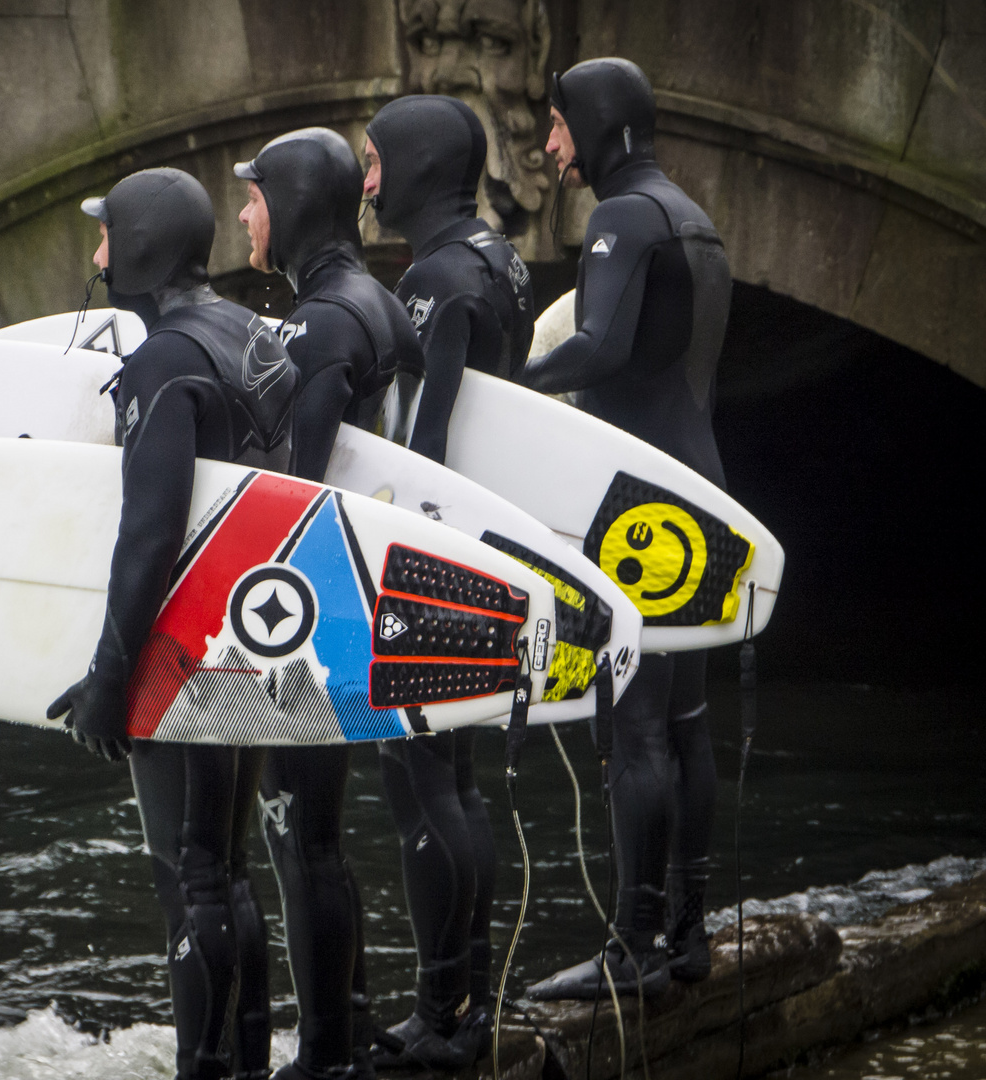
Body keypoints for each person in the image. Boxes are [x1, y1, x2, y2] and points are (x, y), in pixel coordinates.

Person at [47, 167, 298, 1080]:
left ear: (143, 246)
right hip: (259, 642)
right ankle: (245, 1065)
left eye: (109, 234)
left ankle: (206, 1069)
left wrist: (111, 680)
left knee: (189, 877)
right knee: (229, 870)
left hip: (186, 654)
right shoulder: (248, 333)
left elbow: (149, 534)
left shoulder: (165, 360)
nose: (99, 253)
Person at [516, 57, 732, 1000]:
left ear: (599, 124)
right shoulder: (695, 219)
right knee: (687, 724)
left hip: (640, 510)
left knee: (634, 730)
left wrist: (505, 391)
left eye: (561, 126)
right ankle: (686, 938)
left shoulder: (622, 217)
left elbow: (599, 349)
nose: (554, 147)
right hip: (704, 495)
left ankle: (631, 947)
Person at [234, 126, 425, 1080]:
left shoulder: (318, 324)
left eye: (257, 194)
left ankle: (322, 1056)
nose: (244, 212)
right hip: (367, 590)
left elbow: (294, 488)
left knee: (297, 836)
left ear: (296, 203)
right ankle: (345, 1024)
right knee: (321, 834)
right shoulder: (380, 304)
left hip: (313, 608)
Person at [358, 94, 535, 1070]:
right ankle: (471, 1006)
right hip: (489, 542)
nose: (368, 182)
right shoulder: (502, 259)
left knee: (421, 779)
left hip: (436, 550)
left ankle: (441, 1017)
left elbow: (424, 443)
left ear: (418, 166)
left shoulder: (434, 277)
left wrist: (390, 546)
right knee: (456, 783)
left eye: (377, 162)